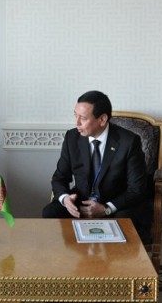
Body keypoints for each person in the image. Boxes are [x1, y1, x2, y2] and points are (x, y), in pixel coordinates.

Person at [42, 90, 148, 231]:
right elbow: (59, 177)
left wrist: (106, 209)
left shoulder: (128, 142)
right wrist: (65, 199)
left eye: (83, 118)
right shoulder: (72, 137)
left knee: (126, 221)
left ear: (102, 119)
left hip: (115, 204)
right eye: (75, 115)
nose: (77, 123)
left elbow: (137, 189)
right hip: (81, 201)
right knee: (50, 212)